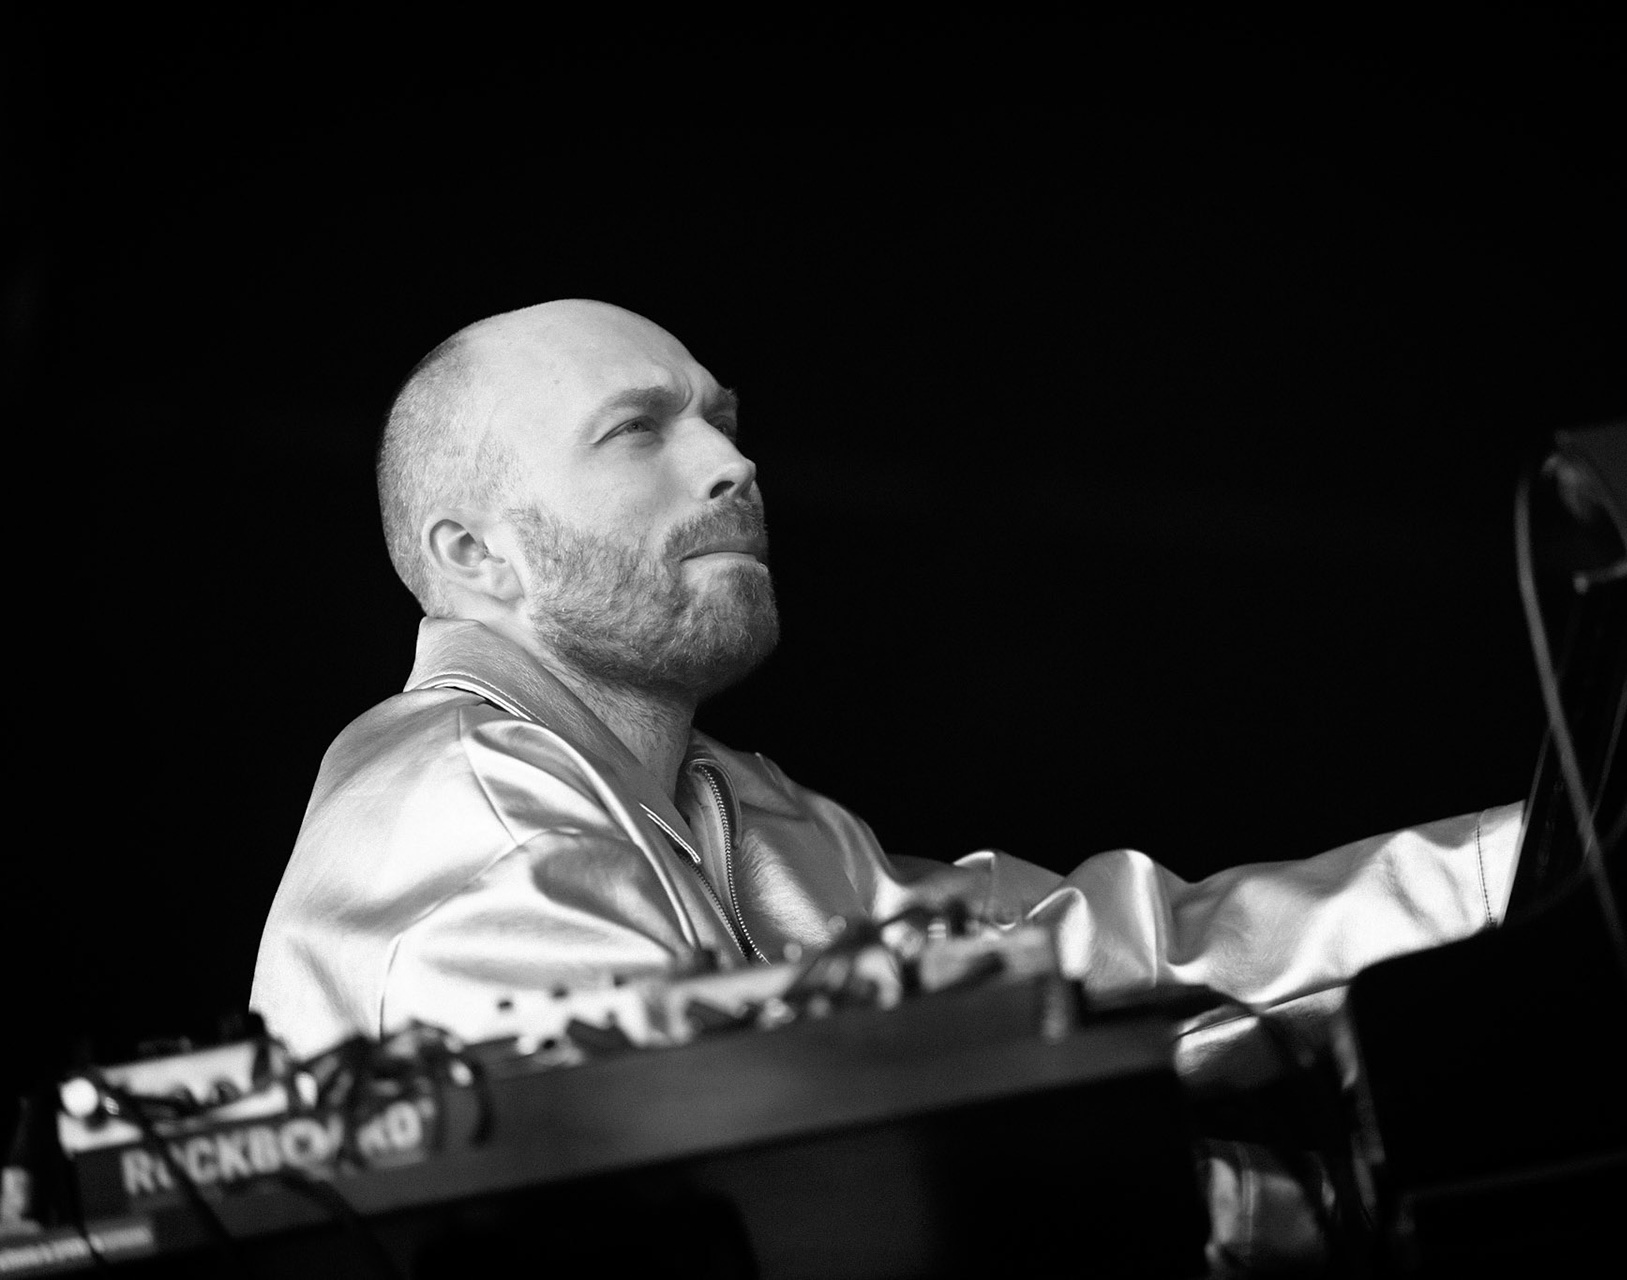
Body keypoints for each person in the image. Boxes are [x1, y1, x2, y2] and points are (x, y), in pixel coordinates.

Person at [251, 299, 1523, 1076]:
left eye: (722, 417)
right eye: (638, 431)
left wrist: (1537, 852)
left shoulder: (747, 808)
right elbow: (751, 1179)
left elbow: (1119, 962)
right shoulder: (459, 808)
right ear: (476, 556)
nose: (733, 461)